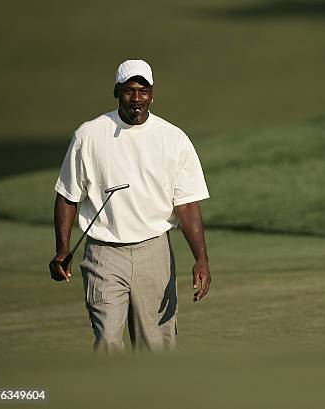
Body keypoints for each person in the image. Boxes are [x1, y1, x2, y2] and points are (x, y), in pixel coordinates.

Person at [48, 59, 212, 353]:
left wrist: (201, 259)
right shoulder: (89, 135)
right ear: (116, 92)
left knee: (155, 347)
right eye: (128, 91)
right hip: (104, 254)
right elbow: (67, 197)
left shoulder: (173, 139)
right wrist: (63, 248)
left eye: (143, 90)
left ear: (152, 94)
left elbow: (187, 205)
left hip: (154, 252)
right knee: (108, 342)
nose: (136, 99)